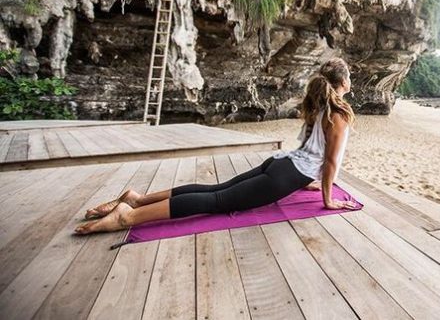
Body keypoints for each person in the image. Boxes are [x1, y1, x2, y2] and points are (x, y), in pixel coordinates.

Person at [75, 58, 359, 235]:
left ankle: (138, 199)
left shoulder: (322, 106)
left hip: (282, 164)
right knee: (218, 202)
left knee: (215, 190)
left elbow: (313, 151)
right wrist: (327, 200)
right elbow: (330, 162)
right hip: (288, 173)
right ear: (344, 82)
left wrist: (307, 181)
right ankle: (130, 216)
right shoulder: (340, 113)